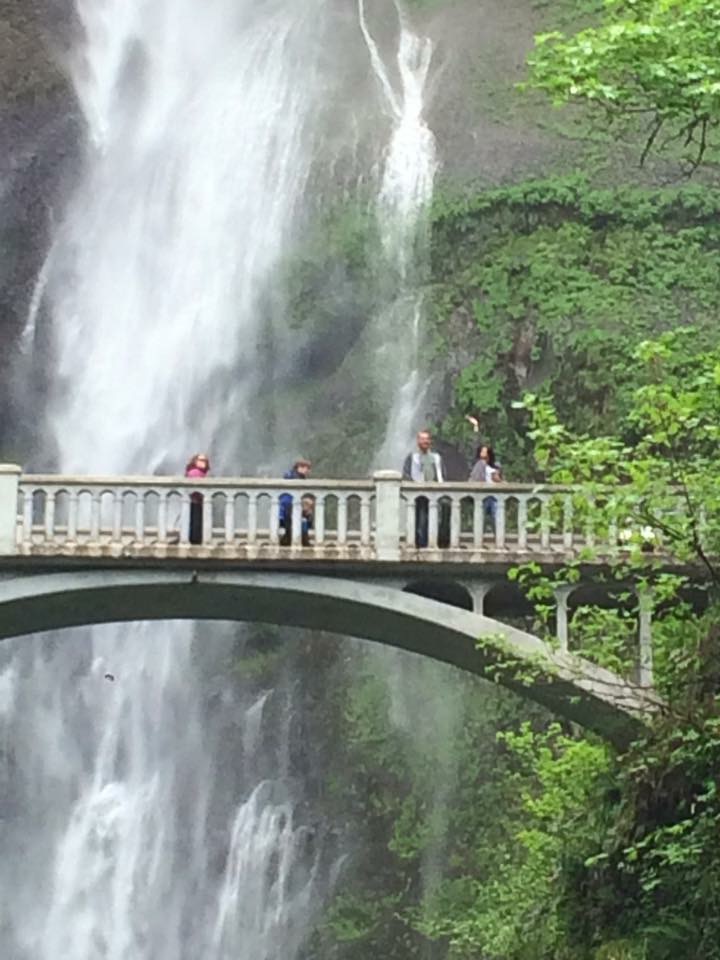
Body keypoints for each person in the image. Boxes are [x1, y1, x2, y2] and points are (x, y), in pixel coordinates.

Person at [402, 430, 445, 547]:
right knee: (419, 519)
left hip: (434, 493)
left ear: (430, 441)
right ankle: (419, 543)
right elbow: (406, 474)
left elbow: (442, 474)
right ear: (418, 441)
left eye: (427, 439)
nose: (425, 441)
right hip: (417, 494)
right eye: (422, 439)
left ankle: (433, 541)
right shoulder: (412, 457)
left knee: (434, 518)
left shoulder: (436, 457)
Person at [469, 442, 502, 528]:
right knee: (480, 521)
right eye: (482, 452)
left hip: (494, 497)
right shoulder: (478, 465)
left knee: (496, 520)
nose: (483, 455)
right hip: (482, 497)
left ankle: (498, 538)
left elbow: (498, 479)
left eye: (485, 453)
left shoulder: (495, 467)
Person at [279, 459, 312, 546]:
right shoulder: (294, 478)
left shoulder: (299, 477)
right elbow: (288, 499)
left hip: (291, 508)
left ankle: (300, 540)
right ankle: (302, 541)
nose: (307, 471)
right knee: (300, 520)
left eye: (308, 468)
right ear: (299, 467)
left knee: (304, 519)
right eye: (306, 468)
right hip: (287, 509)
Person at [185, 453, 210, 544]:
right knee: (196, 521)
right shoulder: (195, 472)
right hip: (194, 501)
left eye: (205, 460)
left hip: (197, 501)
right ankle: (195, 540)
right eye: (201, 460)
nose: (203, 462)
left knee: (196, 521)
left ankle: (195, 538)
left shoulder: (202, 472)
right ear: (195, 461)